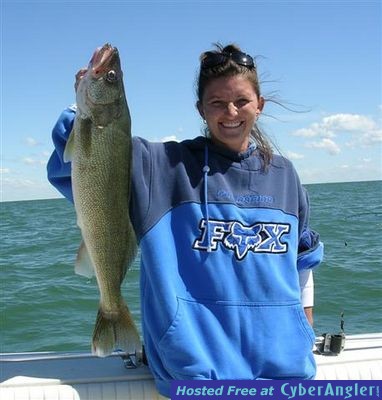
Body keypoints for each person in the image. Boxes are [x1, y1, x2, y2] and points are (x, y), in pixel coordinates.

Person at [47, 43, 323, 398]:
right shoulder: (162, 167)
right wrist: (81, 104)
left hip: (286, 375)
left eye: (241, 100)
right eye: (217, 103)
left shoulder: (286, 175)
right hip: (196, 377)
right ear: (201, 110)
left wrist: (304, 329)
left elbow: (301, 262)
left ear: (260, 104)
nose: (231, 112)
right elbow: (85, 164)